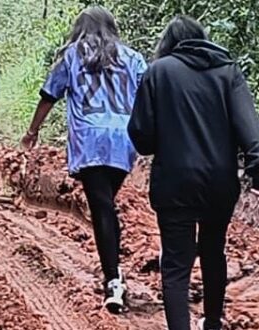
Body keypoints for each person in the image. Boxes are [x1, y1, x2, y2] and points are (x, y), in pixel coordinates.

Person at [128, 15, 259, 330]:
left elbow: (141, 136)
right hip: (220, 181)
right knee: (214, 248)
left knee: (175, 264)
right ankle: (212, 322)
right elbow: (250, 132)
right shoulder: (228, 71)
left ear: (169, 45)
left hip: (174, 181)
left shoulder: (158, 72)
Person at [20, 6, 148, 313]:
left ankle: (113, 281)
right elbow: (149, 95)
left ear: (80, 28)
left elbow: (49, 95)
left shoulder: (71, 55)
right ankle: (114, 269)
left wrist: (32, 131)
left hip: (89, 137)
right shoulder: (133, 58)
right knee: (106, 204)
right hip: (123, 139)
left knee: (102, 207)